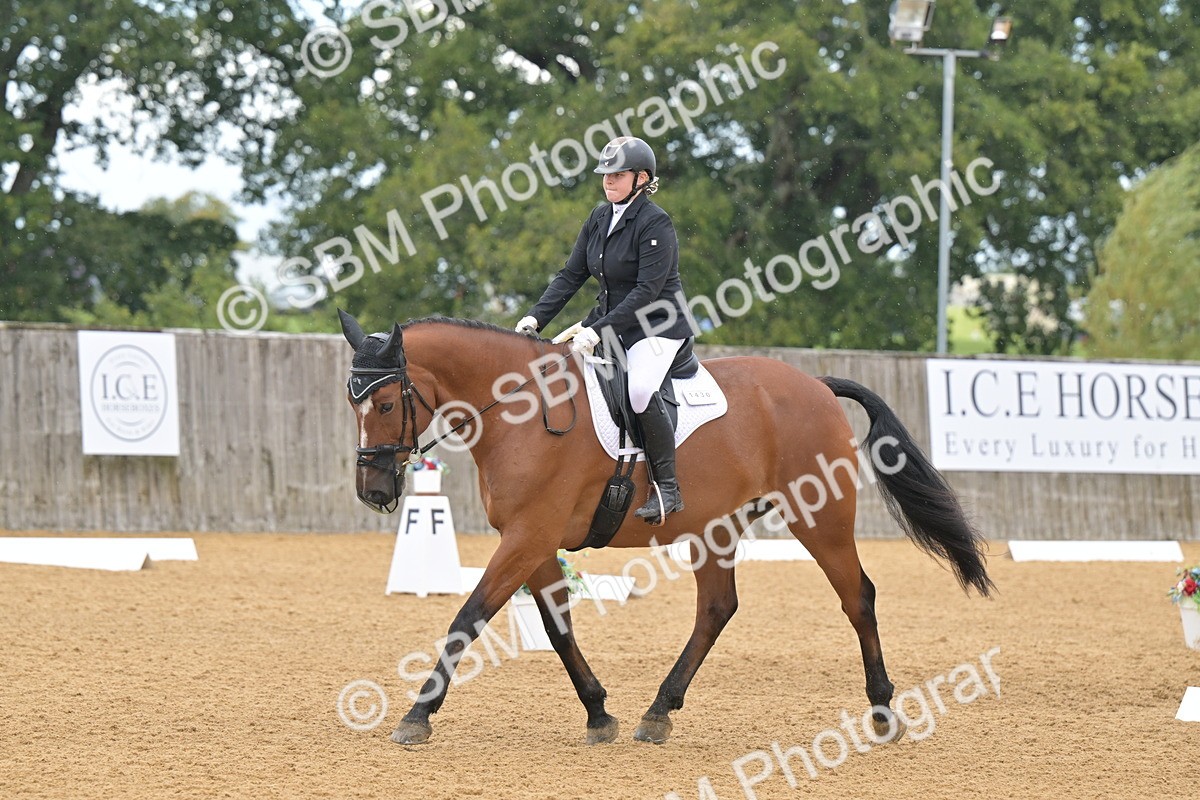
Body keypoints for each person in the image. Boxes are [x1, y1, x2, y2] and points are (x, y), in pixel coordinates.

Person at [515, 136, 693, 525]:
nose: (608, 180)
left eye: (618, 174)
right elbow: (571, 275)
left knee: (641, 390)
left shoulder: (655, 222)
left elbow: (647, 291)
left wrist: (597, 330)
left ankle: (667, 487)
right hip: (611, 322)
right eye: (605, 174)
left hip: (657, 325)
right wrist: (534, 319)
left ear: (641, 178)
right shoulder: (598, 217)